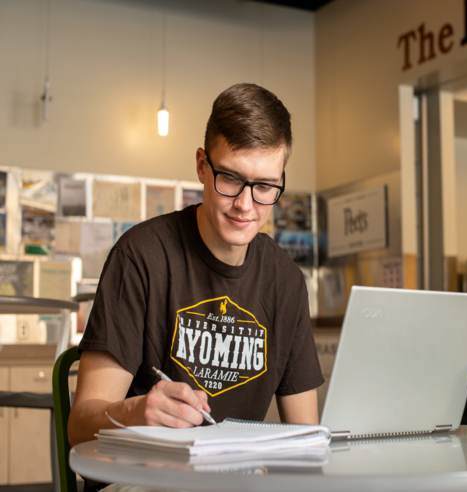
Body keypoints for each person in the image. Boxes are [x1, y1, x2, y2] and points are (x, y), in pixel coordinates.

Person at [68, 83, 324, 448]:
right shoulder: (140, 257)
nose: (245, 205)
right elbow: (78, 426)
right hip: (141, 480)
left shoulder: (285, 281)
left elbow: (307, 439)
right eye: (231, 179)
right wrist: (137, 412)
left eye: (265, 186)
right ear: (203, 167)